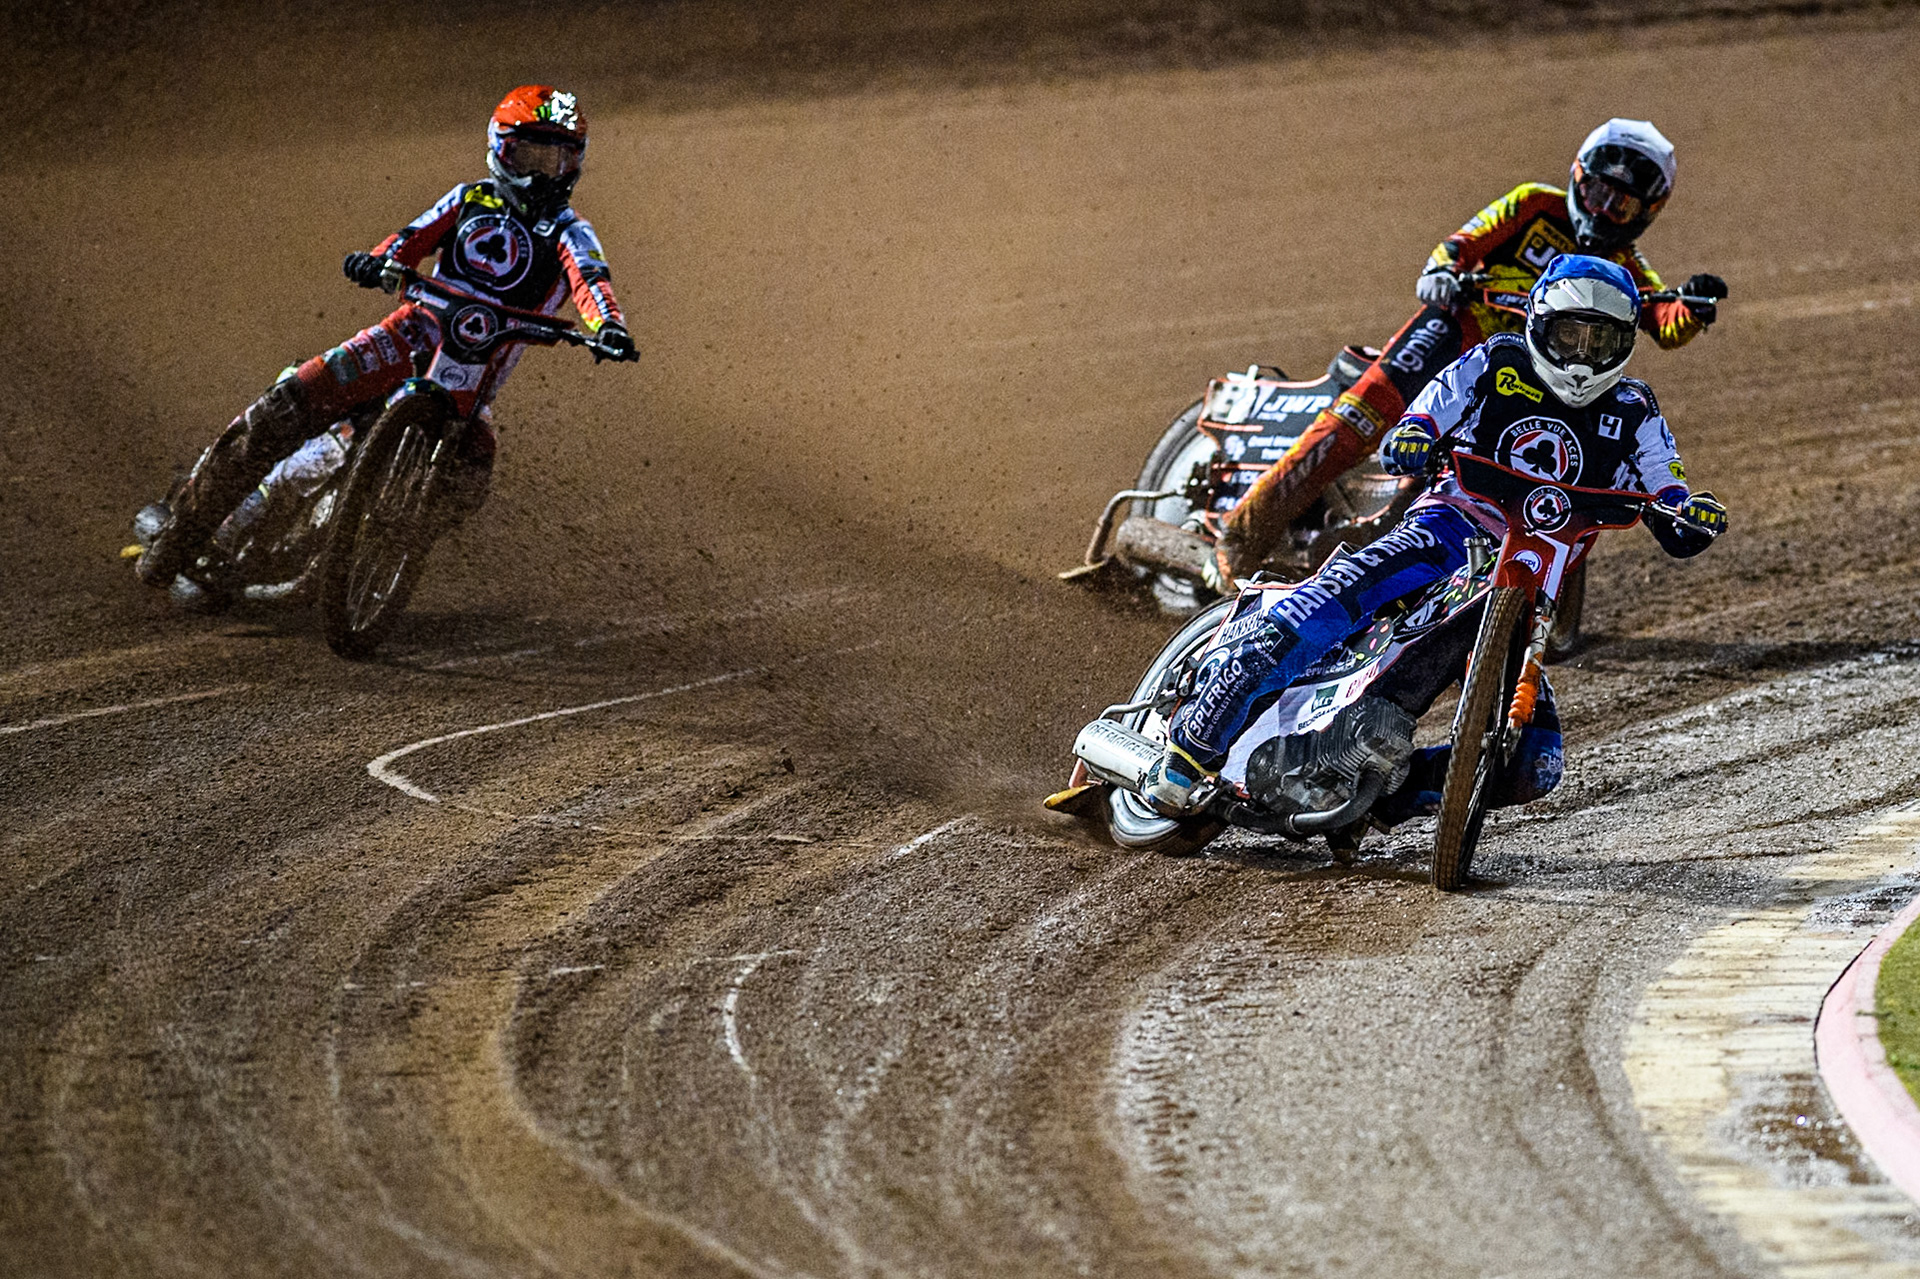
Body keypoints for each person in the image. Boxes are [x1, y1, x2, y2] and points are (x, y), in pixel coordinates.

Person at [1143, 254, 1728, 816]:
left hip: (1531, 581)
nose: (1581, 357)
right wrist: (1416, 434)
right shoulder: (1496, 361)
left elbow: (1665, 482)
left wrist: (1684, 515)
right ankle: (1194, 740)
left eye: (1599, 341)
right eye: (1569, 336)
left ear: (1623, 344)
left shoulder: (1635, 408)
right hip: (1450, 527)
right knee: (1338, 597)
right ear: (1539, 325)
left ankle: (1380, 789)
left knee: (1534, 763)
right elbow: (1429, 409)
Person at [137, 85, 634, 592]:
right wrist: (379, 261)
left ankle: (363, 563)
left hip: (467, 389)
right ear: (502, 149)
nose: (541, 174)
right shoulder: (467, 200)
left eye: (557, 159)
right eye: (530, 156)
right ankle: (186, 529)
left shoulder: (572, 233)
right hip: (404, 338)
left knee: (469, 474)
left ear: (576, 163)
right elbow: (409, 238)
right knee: (286, 406)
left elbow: (592, 282)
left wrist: (608, 328)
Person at [1205, 118, 1727, 592]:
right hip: (1451, 337)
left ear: (1646, 213)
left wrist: (1693, 307)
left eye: (1621, 204)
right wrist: (1442, 274)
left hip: (1519, 380)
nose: (1600, 210)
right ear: (1576, 177)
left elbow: (1661, 319)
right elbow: (1460, 245)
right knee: (1355, 427)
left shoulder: (1622, 268)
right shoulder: (1532, 206)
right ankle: (1237, 541)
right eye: (1595, 191)